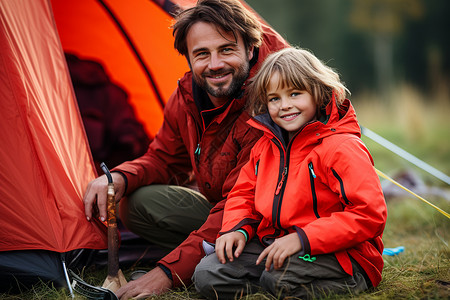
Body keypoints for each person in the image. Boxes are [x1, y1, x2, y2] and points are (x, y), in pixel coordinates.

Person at [82, 0, 289, 298]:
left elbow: (244, 205)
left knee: (210, 272)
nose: (215, 64)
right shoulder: (186, 97)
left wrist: (166, 273)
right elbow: (163, 159)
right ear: (188, 57)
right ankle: (208, 253)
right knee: (136, 202)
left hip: (270, 220)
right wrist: (118, 178)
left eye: (226, 49)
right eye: (202, 54)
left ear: (250, 48)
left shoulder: (272, 103)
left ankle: (231, 261)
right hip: (223, 211)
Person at [193, 47, 387, 299]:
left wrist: (302, 239)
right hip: (275, 243)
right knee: (207, 274)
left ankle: (345, 283)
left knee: (280, 278)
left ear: (318, 92)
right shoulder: (265, 146)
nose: (284, 106)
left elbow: (369, 214)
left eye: (295, 94)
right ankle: (274, 286)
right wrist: (236, 228)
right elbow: (243, 194)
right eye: (274, 98)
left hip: (343, 255)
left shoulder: (341, 147)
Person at [65, 53, 151, 175]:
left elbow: (131, 144)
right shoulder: (37, 93)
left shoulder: (107, 95)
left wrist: (102, 170)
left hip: (104, 170)